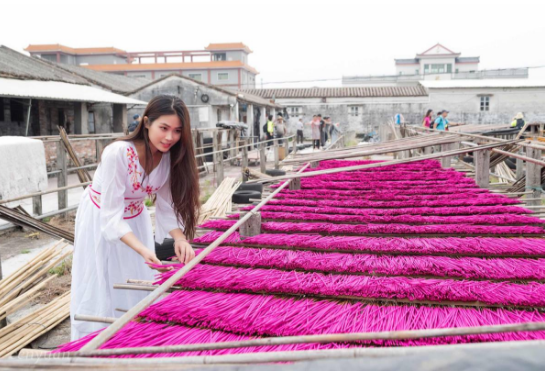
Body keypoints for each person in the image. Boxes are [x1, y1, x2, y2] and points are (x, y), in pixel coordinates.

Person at [70, 95, 200, 341]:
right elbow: (110, 216)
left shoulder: (169, 157)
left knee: (137, 276)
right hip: (101, 216)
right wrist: (142, 248)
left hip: (135, 218)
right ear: (147, 122)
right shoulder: (118, 153)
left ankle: (133, 334)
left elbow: (166, 205)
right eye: (164, 128)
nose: (170, 137)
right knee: (100, 277)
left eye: (177, 131)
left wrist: (180, 239)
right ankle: (94, 339)